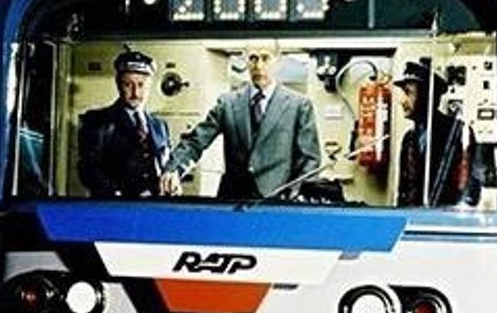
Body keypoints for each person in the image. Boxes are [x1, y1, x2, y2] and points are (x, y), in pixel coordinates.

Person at [160, 43, 321, 200]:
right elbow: (196, 141)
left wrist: (293, 196)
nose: (258, 65)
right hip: (232, 201)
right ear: (246, 61)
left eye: (265, 58)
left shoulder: (299, 105)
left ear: (277, 61)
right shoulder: (228, 103)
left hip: (278, 203)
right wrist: (174, 169)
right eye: (253, 58)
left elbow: (309, 161)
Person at [77, 48, 172, 197]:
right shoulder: (97, 121)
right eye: (128, 84)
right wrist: (114, 194)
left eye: (141, 85)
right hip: (115, 207)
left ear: (150, 85)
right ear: (118, 84)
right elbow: (87, 168)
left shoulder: (159, 126)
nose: (135, 92)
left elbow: (165, 163)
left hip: (154, 206)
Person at [394, 60, 477, 207]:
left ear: (426, 96)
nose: (402, 101)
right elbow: (403, 191)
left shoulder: (458, 133)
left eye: (408, 93)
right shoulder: (409, 139)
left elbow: (468, 189)